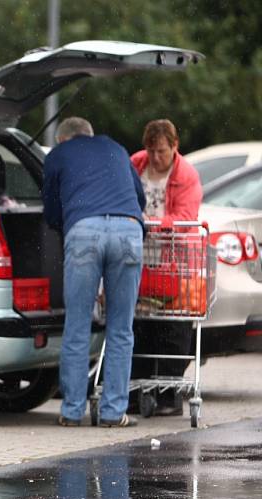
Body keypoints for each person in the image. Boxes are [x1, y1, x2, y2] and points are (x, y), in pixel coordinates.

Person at [43, 117, 146, 428]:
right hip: (129, 231)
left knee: (77, 324)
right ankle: (114, 413)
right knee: (121, 328)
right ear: (89, 133)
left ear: (63, 140)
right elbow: (138, 199)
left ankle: (72, 412)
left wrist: (67, 224)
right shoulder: (116, 147)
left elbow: (51, 210)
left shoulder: (58, 155)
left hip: (84, 231)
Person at [130, 119, 203, 416]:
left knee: (173, 327)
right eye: (151, 151)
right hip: (140, 255)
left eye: (161, 151)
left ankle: (168, 392)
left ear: (175, 146)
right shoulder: (136, 163)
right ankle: (136, 390)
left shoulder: (186, 175)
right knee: (139, 323)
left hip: (173, 258)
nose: (156, 158)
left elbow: (186, 215)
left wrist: (152, 226)